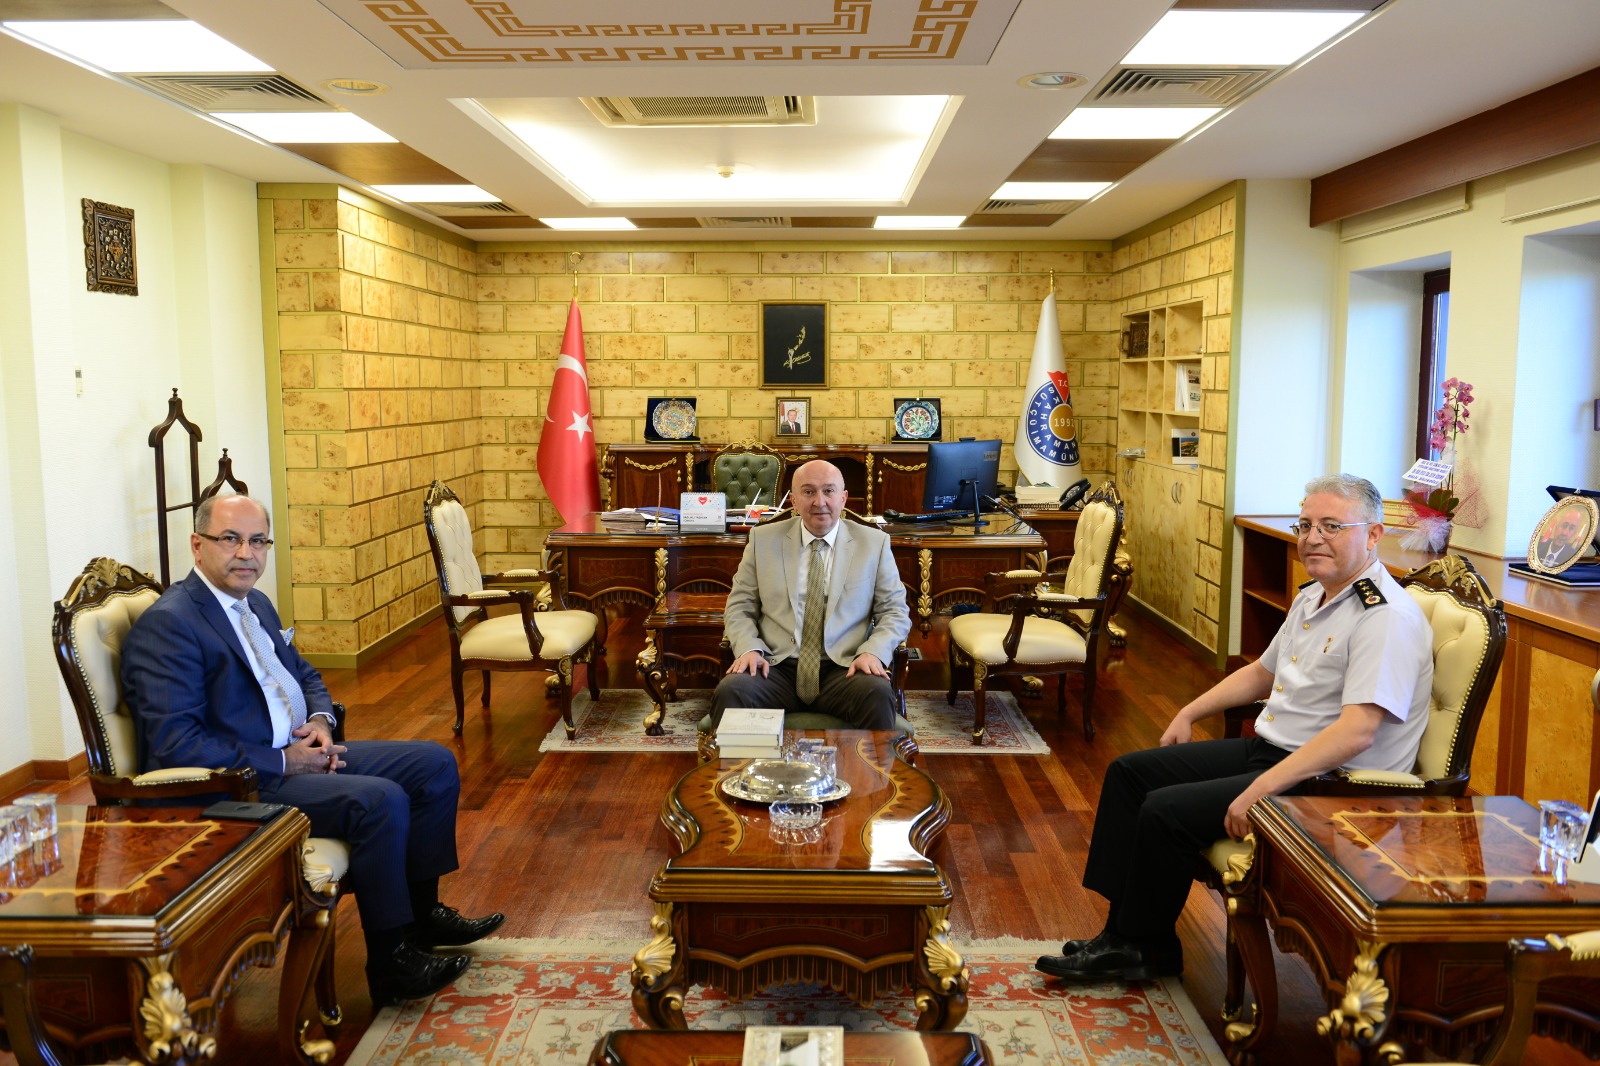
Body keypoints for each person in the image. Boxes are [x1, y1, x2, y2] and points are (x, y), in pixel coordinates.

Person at [1036, 474, 1433, 982]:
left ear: (1374, 534)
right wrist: (1189, 712)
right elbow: (1262, 672)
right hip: (1277, 752)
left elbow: (1357, 733)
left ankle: (1142, 946)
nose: (1312, 538)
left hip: (1331, 782)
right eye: (1305, 524)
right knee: (1128, 774)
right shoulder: (1315, 595)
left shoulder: (1385, 617)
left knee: (1165, 810)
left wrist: (1259, 791)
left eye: (1331, 526)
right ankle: (1124, 935)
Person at [122, 494, 504, 1006]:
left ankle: (421, 918)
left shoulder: (254, 603)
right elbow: (175, 745)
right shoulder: (172, 623)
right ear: (197, 545)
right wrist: (284, 760)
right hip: (237, 785)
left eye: (258, 541)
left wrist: (321, 720)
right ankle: (390, 962)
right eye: (230, 539)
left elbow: (303, 674)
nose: (246, 553)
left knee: (433, 764)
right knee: (380, 800)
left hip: (293, 752)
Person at [713, 460, 910, 729]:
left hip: (845, 667)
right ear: (794, 501)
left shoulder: (873, 544)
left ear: (843, 498)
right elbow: (739, 605)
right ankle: (736, 761)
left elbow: (894, 611)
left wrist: (873, 653)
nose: (820, 502)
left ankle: (866, 761)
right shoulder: (763, 539)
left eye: (829, 491)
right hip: (775, 665)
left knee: (876, 694)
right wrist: (749, 648)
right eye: (808, 492)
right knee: (731, 691)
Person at [1534, 503, 1590, 569]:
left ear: (1574, 534)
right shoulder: (1537, 546)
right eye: (1564, 526)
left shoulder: (1573, 557)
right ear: (1556, 527)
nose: (1564, 533)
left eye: (1571, 528)